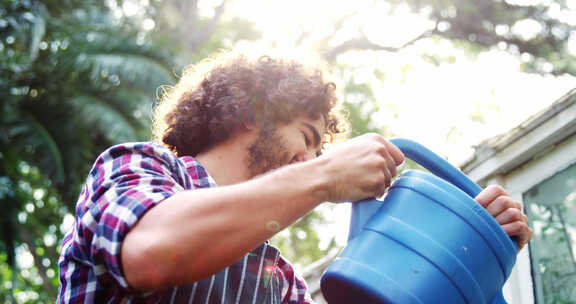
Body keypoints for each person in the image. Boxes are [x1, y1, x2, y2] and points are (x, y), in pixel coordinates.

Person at [57, 50, 533, 303]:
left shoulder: (279, 281)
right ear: (250, 111)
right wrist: (326, 175)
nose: (309, 159)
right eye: (306, 136)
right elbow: (153, 254)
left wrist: (465, 251)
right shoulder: (136, 167)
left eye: (320, 151)